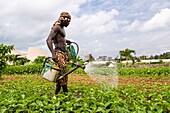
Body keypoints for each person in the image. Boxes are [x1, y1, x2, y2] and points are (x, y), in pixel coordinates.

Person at [46, 12, 72, 95]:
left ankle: (56, 94)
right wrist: (53, 53)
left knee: (61, 74)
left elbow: (59, 38)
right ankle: (65, 93)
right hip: (58, 53)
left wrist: (66, 40)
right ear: (63, 19)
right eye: (68, 21)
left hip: (63, 54)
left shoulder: (62, 28)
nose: (69, 23)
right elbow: (49, 40)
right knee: (64, 73)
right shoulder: (56, 27)